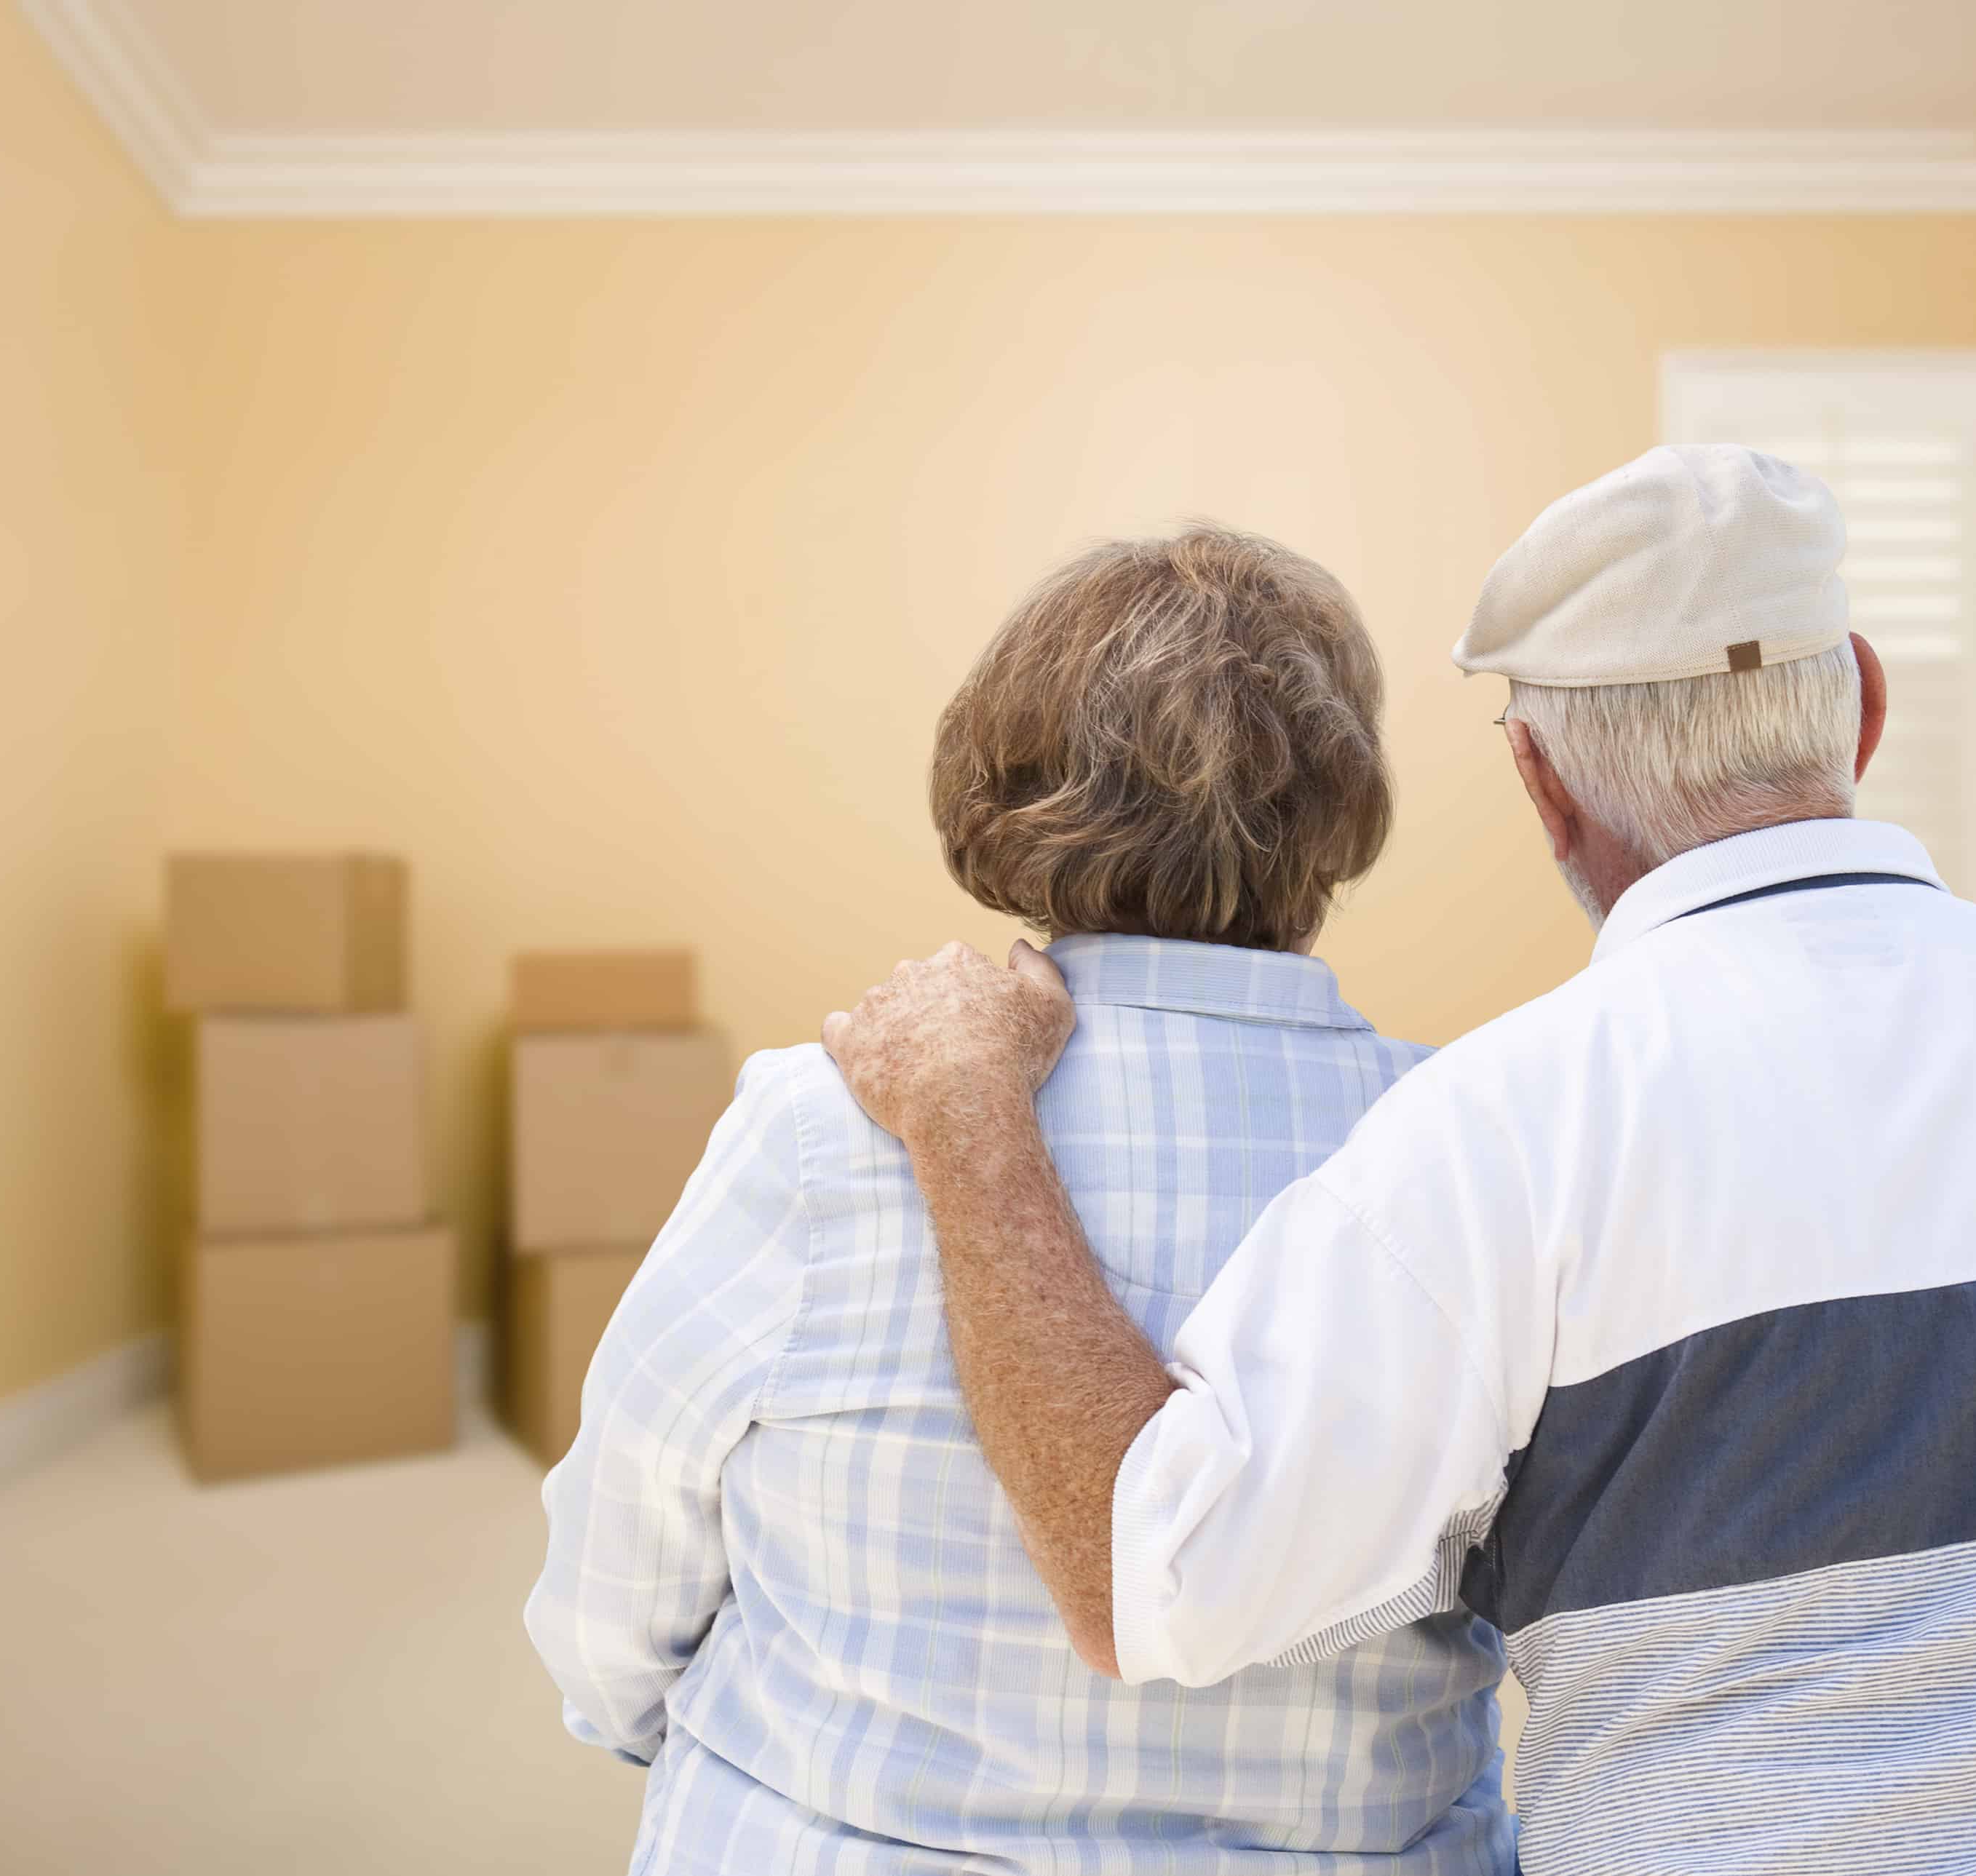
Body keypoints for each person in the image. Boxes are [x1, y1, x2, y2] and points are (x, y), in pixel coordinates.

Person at [820, 446, 1976, 1875]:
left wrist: (969, 1117)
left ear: (1538, 783)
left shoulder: (1504, 1124)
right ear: (1861, 702)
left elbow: (1147, 1578)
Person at [525, 525, 1515, 1872]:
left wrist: (692, 1750)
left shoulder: (826, 1122)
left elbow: (621, 1556)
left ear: (1004, 779)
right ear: (1343, 804)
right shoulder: (1475, 1146)